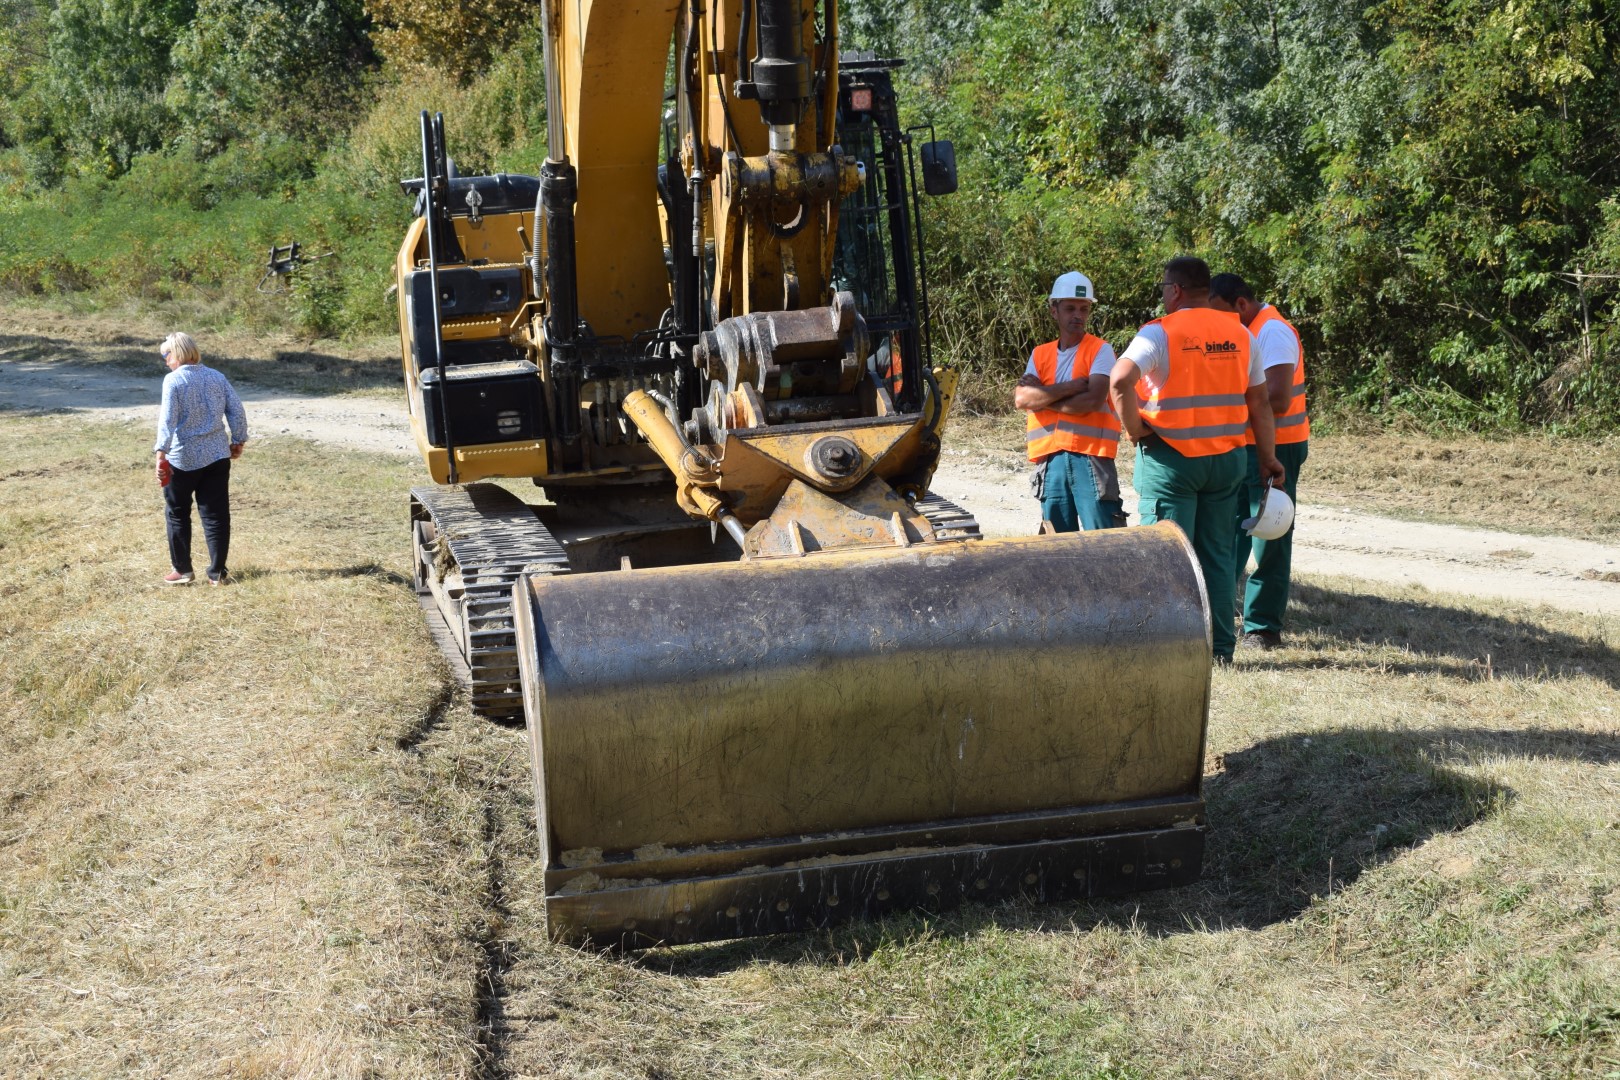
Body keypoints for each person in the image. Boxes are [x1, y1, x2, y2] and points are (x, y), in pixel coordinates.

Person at [1108, 257, 1285, 664]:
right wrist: (1268, 457)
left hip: (1172, 460)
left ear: (1175, 291)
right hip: (1226, 460)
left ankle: (1163, 650)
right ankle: (1220, 651)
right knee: (1218, 558)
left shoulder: (1160, 332)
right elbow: (1258, 401)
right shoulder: (1241, 334)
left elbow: (1119, 381)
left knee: (1166, 557)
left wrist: (1135, 430)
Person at [1209, 273, 1309, 651]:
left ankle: (1263, 628)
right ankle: (1220, 615)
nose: (1216, 323)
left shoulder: (1272, 331)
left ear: (1241, 305)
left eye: (1220, 313)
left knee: (1270, 533)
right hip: (1249, 445)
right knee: (1233, 531)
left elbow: (1278, 398)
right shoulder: (1247, 331)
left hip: (1278, 446)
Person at [1014, 271, 1125, 532]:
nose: (1078, 315)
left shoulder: (1101, 350)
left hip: (1092, 457)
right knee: (1057, 544)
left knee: (1104, 538)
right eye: (1070, 308)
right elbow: (1022, 398)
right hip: (1051, 460)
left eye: (1084, 309)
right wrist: (1073, 387)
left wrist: (1042, 398)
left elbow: (1092, 400)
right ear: (1054, 310)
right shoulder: (1040, 354)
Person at [153, 332, 248, 586]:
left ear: (177, 354)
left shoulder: (173, 381)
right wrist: (238, 440)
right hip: (217, 456)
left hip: (182, 459)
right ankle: (217, 573)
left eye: (166, 355)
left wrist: (160, 453)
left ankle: (183, 571)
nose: (165, 361)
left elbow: (167, 420)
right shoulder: (217, 376)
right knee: (216, 514)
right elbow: (236, 409)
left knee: (177, 513)